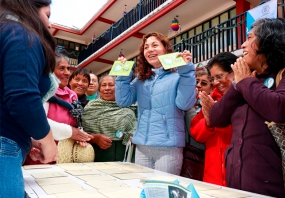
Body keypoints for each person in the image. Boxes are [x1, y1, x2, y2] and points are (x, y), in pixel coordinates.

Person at [209, 18, 285, 197]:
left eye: (249, 38)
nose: (243, 45)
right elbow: (216, 118)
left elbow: (279, 109)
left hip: (277, 184)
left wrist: (246, 81)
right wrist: (237, 84)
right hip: (236, 180)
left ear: (268, 41)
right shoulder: (246, 79)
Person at [115, 32, 196, 175]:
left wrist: (187, 71)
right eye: (146, 47)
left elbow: (184, 104)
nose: (150, 49)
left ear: (166, 49)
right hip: (142, 147)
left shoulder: (178, 76)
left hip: (168, 148)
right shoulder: (140, 79)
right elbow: (123, 101)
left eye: (155, 45)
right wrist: (122, 75)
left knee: (163, 191)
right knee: (143, 190)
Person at [0, 0, 58, 196]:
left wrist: (29, 135)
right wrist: (48, 141)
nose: (50, 25)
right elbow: (22, 97)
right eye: (47, 15)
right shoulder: (21, 34)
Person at [24, 53, 93, 165]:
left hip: (63, 158)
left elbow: (74, 124)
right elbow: (37, 122)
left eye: (68, 68)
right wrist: (71, 132)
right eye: (61, 68)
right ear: (51, 70)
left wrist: (80, 136)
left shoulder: (72, 95)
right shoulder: (44, 91)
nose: (67, 73)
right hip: (40, 155)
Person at [190, 52, 237, 186]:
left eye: (219, 76)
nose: (216, 82)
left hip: (237, 174)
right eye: (213, 78)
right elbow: (195, 132)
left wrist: (216, 118)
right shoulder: (211, 99)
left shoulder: (247, 96)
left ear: (234, 71)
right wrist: (208, 123)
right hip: (212, 175)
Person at [82, 75, 137, 162]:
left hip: (123, 158)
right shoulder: (91, 107)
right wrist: (95, 138)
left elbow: (134, 131)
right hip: (96, 157)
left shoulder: (129, 108)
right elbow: (82, 134)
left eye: (111, 85)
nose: (107, 88)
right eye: (104, 85)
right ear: (99, 89)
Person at [180, 64, 213, 181]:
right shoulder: (190, 102)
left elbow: (195, 133)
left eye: (204, 83)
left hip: (200, 157)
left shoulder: (210, 105)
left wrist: (190, 105)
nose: (199, 85)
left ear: (211, 88)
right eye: (197, 81)